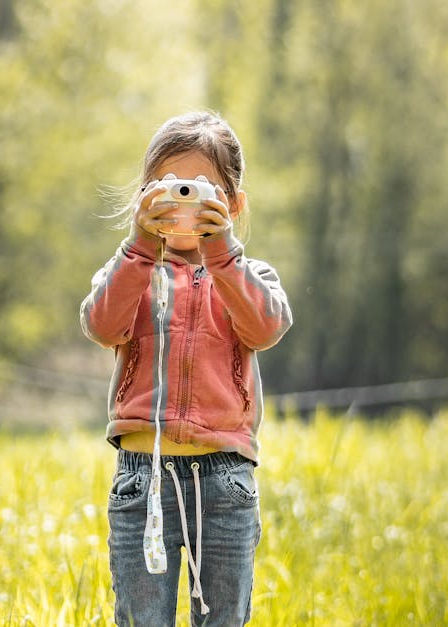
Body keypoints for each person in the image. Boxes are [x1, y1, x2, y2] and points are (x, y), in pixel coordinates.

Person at [80, 111, 293, 626]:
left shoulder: (249, 275)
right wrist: (138, 247)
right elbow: (101, 325)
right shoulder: (131, 271)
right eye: (168, 187)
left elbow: (266, 327)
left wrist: (222, 256)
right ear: (144, 198)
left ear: (233, 205)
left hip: (226, 481)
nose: (183, 203)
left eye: (200, 190)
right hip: (142, 477)